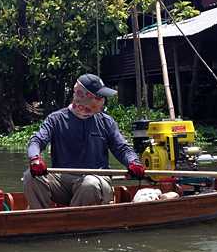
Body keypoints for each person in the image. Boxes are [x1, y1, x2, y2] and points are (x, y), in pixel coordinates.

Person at [23, 73, 145, 209]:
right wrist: (35, 158)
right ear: (84, 97)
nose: (103, 100)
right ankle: (40, 220)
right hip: (63, 181)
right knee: (31, 176)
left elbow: (122, 148)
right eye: (99, 97)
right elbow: (36, 140)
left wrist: (133, 162)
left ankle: (74, 222)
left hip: (96, 178)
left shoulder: (106, 122)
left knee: (89, 184)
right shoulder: (55, 119)